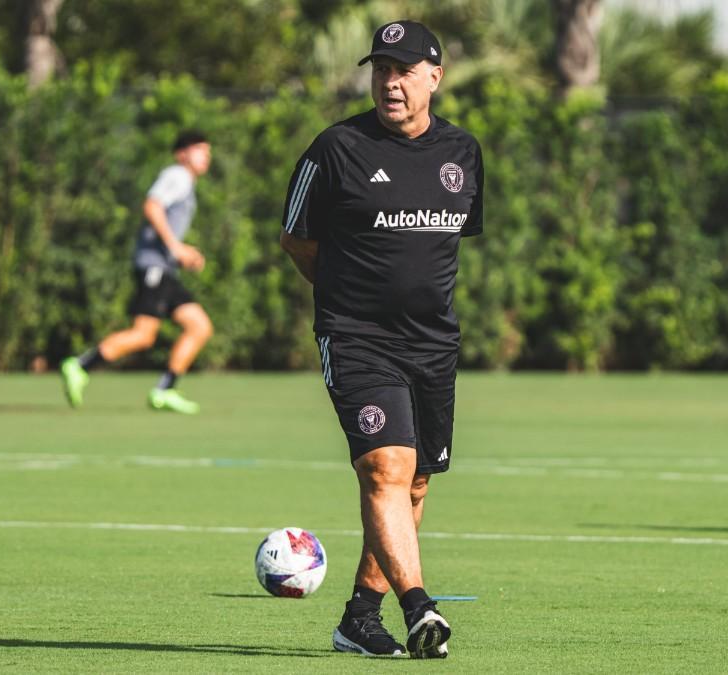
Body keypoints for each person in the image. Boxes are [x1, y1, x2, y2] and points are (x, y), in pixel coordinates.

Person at [279, 20, 483, 659]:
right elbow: (296, 238)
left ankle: (359, 619)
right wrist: (346, 299)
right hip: (358, 338)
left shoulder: (463, 153)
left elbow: (443, 249)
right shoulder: (335, 149)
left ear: (434, 77)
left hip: (434, 344)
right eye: (381, 70)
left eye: (403, 71)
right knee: (385, 467)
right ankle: (420, 607)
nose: (390, 83)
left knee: (415, 482)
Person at [60, 130, 214, 414]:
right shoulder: (177, 175)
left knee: (199, 326)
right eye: (199, 150)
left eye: (208, 151)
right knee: (143, 334)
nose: (206, 156)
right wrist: (175, 247)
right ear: (182, 154)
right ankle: (80, 366)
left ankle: (165, 391)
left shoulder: (186, 182)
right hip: (154, 267)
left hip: (165, 268)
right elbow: (152, 206)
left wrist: (182, 253)